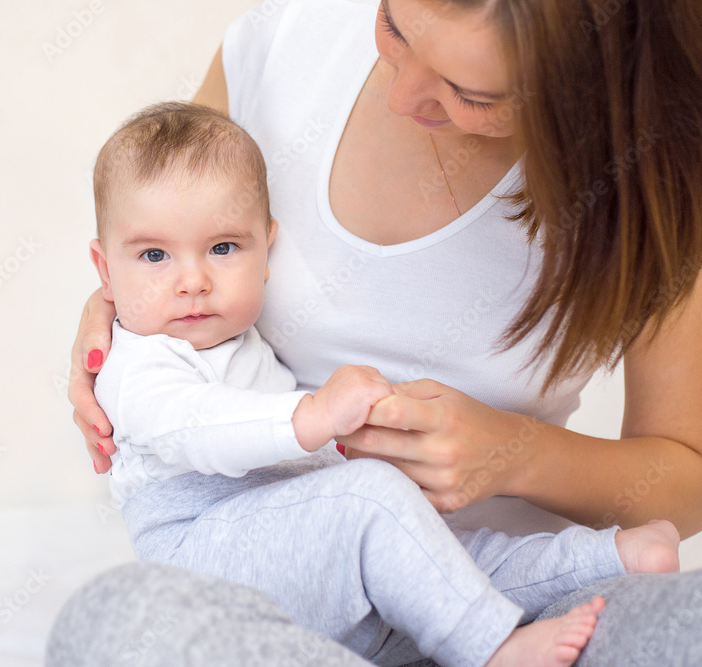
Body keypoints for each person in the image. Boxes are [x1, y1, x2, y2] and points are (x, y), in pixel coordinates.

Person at [56, 0, 702, 664]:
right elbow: (159, 225)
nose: (403, 94)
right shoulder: (284, 40)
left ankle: (563, 585)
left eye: (470, 93)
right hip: (285, 603)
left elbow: (688, 470)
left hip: (509, 595)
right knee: (116, 621)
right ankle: (488, 648)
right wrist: (115, 306)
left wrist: (517, 453)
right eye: (394, 25)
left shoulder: (658, 178)